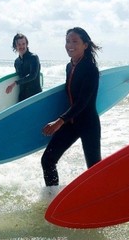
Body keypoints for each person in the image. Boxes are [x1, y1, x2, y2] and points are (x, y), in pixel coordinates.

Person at [41, 27, 102, 188]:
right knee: (47, 160)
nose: (70, 45)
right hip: (71, 122)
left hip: (88, 124)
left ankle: (103, 201)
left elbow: (82, 102)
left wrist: (59, 121)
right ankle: (53, 199)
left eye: (75, 41)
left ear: (85, 45)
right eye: (68, 41)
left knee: (95, 169)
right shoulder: (70, 66)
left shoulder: (90, 69)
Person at [5, 33, 42, 101]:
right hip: (22, 98)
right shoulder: (17, 62)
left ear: (26, 44)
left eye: (23, 44)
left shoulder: (33, 57)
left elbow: (32, 76)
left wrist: (15, 83)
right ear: (15, 46)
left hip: (35, 96)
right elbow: (18, 77)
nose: (21, 46)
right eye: (19, 44)